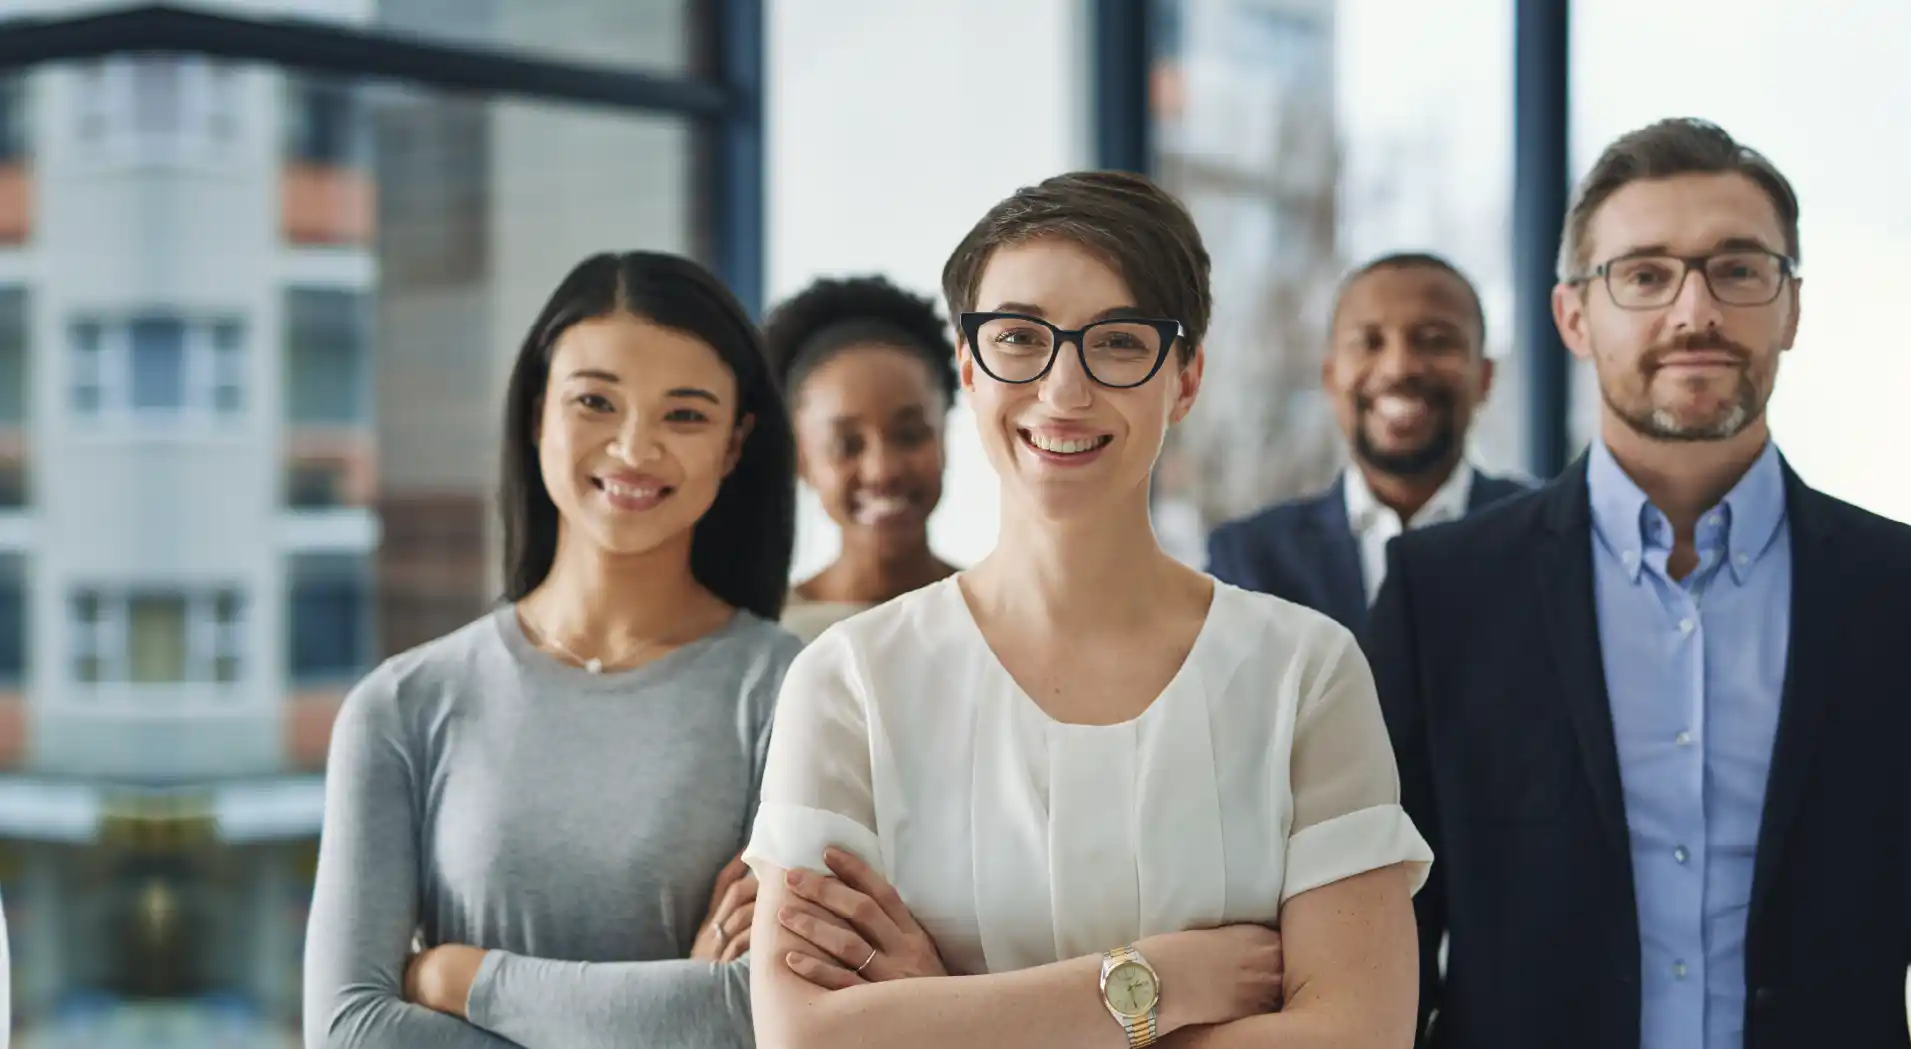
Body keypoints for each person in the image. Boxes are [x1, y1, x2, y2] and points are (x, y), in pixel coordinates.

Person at [744, 171, 1430, 1049]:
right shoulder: (849, 680)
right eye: (1020, 339)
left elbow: (1358, 1040)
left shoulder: (1304, 672)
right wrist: (1155, 982)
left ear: (1183, 380)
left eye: (1115, 343)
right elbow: (806, 1039)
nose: (1063, 390)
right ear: (969, 368)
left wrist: (950, 1017)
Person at [1366, 117, 1911, 1049]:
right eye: (1644, 274)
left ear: (1791, 307)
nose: (1693, 311)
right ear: (1573, 315)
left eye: (1738, 270)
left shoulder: (1895, 594)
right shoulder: (1437, 598)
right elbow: (1381, 952)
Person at [303, 251, 805, 1049]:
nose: (634, 448)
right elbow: (353, 1028)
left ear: (735, 443)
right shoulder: (400, 706)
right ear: (539, 412)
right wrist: (666, 1005)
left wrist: (457, 978)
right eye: (595, 402)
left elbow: (758, 1015)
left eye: (684, 414)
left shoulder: (795, 692)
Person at [1206, 253, 1526, 634]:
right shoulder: (1249, 562)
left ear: (1485, 378)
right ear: (1330, 378)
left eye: (1436, 341)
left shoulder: (1548, 543)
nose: (1399, 367)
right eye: (1368, 342)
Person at [762, 275, 960, 642]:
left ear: (943, 433)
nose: (882, 470)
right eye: (846, 444)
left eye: (910, 435)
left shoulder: (1006, 616)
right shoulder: (766, 640)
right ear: (800, 458)